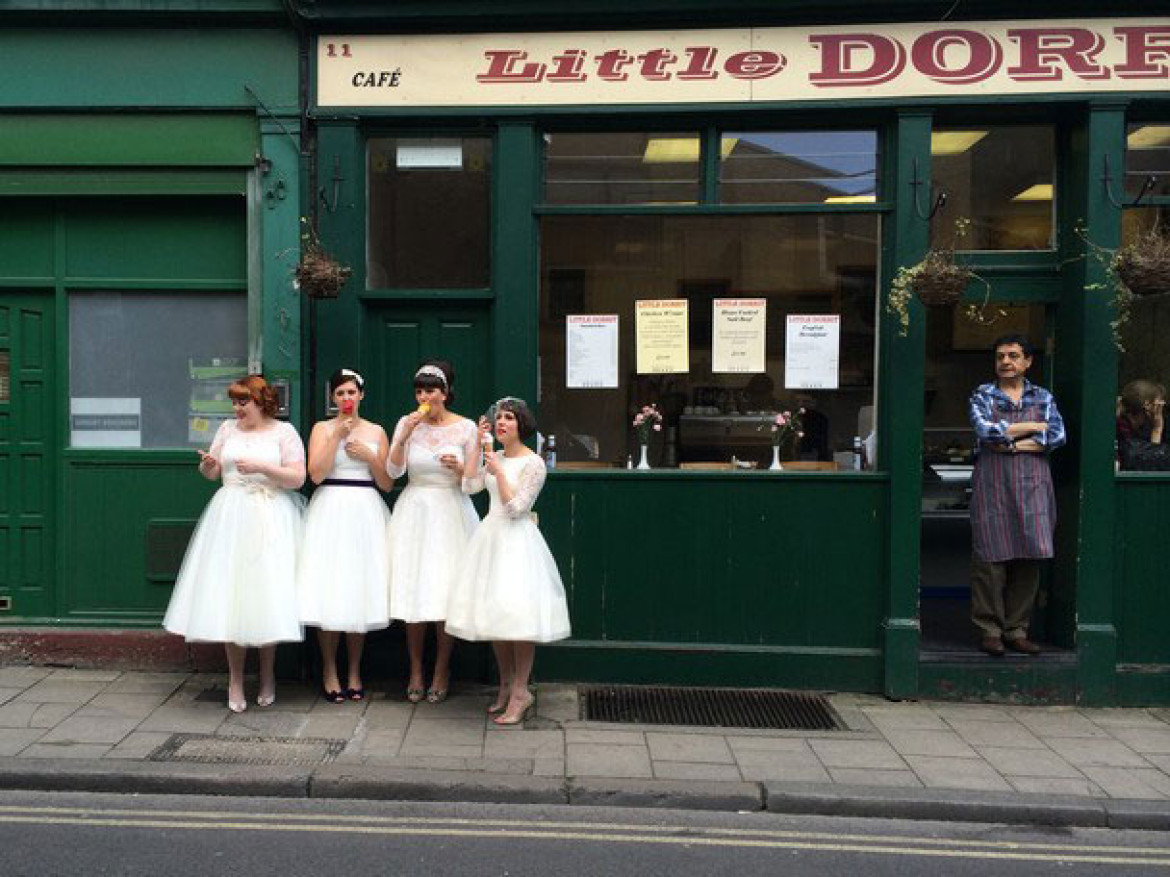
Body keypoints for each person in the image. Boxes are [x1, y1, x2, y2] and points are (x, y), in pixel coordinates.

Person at [163, 375, 306, 713]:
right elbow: (212, 474)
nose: (236, 408)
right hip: (230, 517)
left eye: (243, 402)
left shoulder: (283, 433)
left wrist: (262, 467)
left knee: (266, 593)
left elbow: (298, 477)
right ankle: (236, 679)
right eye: (235, 402)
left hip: (270, 515)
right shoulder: (227, 430)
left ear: (261, 402)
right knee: (232, 594)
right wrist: (208, 465)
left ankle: (268, 674)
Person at [447, 397, 572, 726]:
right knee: (495, 617)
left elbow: (516, 508)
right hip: (490, 539)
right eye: (498, 418)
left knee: (519, 620)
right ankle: (504, 684)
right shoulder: (495, 455)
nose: (501, 423)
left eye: (509, 419)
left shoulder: (534, 464)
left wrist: (500, 471)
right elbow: (470, 484)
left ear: (522, 425)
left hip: (517, 541)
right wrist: (478, 446)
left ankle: (521, 690)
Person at [297, 368, 394, 703]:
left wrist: (370, 456)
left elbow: (387, 483)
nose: (346, 399)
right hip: (331, 509)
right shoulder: (322, 428)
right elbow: (316, 474)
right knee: (330, 586)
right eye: (340, 394)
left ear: (361, 395)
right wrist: (336, 435)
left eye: (351, 392)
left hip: (365, 509)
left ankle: (354, 670)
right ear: (333, 398)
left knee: (359, 588)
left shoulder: (377, 431)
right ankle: (329, 670)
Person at [385, 360, 480, 704]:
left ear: (445, 393)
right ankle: (415, 669)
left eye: (431, 390)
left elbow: (474, 484)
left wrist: (459, 471)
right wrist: (404, 435)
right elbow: (392, 471)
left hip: (451, 510)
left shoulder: (467, 428)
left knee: (444, 590)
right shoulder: (406, 424)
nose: (424, 396)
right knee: (413, 590)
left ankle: (441, 668)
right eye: (419, 390)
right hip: (416, 510)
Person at [967, 334, 1066, 657]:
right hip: (993, 484)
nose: (1005, 362)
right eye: (1000, 357)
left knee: (1029, 556)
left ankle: (1017, 629)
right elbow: (985, 432)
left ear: (1028, 361)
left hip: (1033, 485)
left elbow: (1057, 436)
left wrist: (1010, 440)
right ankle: (990, 630)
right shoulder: (983, 394)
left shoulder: (1043, 396)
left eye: (1013, 355)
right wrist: (1033, 427)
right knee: (990, 559)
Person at [1117, 379, 1169, 471]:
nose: (1161, 408)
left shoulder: (1141, 428)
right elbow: (1148, 463)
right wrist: (1157, 428)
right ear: (1148, 406)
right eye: (1159, 404)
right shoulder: (1121, 429)